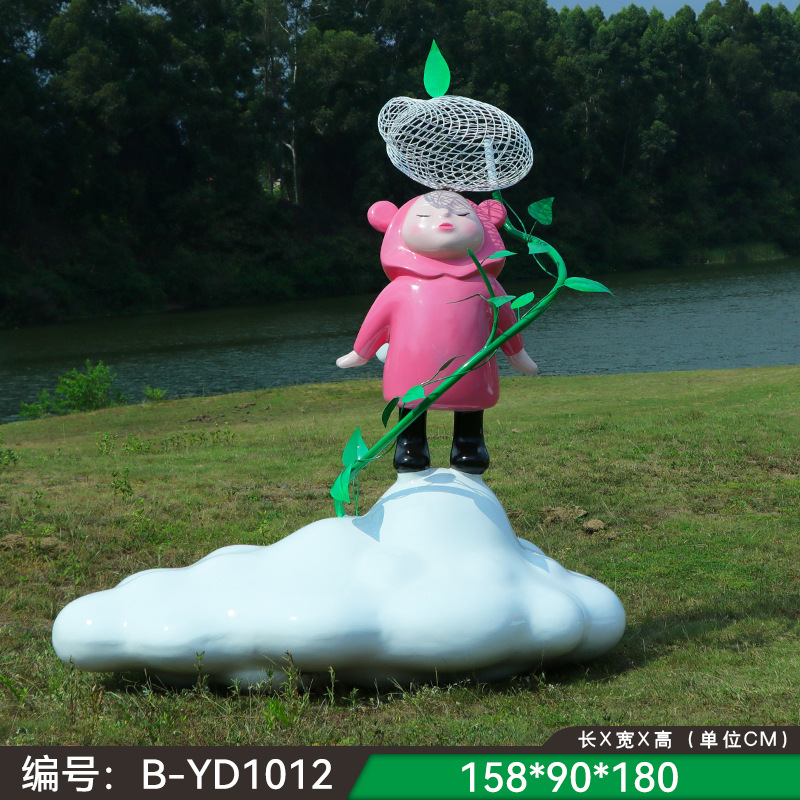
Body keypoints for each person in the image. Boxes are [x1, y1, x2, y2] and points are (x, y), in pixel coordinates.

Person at [337, 190, 538, 474]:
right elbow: (376, 320)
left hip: (470, 362)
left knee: (469, 399)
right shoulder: (402, 287)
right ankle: (410, 446)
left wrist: (517, 352)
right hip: (412, 362)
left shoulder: (486, 285)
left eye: (462, 214)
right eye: (424, 215)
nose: (444, 215)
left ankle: (469, 445)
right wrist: (361, 351)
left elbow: (506, 320)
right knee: (411, 399)